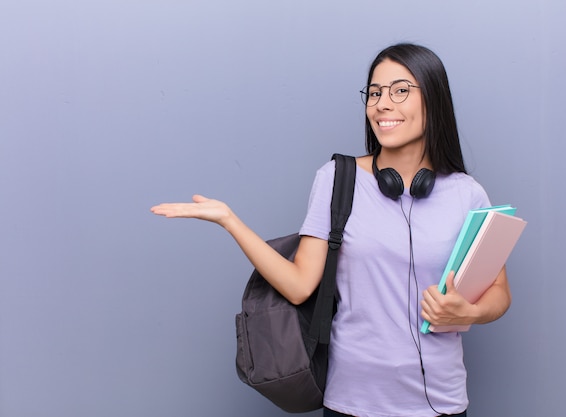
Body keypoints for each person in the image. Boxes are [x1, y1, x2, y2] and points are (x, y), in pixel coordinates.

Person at [151, 43, 512, 417]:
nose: (382, 104)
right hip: (352, 403)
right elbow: (298, 285)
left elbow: (499, 291)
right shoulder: (337, 180)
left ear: (433, 99)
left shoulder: (468, 194)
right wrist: (230, 220)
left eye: (400, 90)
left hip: (442, 402)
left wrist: (468, 313)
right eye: (374, 93)